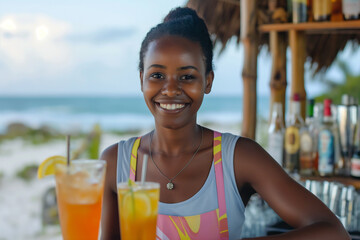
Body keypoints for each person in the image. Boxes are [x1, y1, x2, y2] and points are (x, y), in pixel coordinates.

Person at [100, 7, 350, 240]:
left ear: (208, 82)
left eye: (187, 76)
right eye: (157, 75)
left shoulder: (237, 158)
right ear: (141, 79)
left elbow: (334, 232)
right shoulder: (115, 163)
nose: (171, 89)